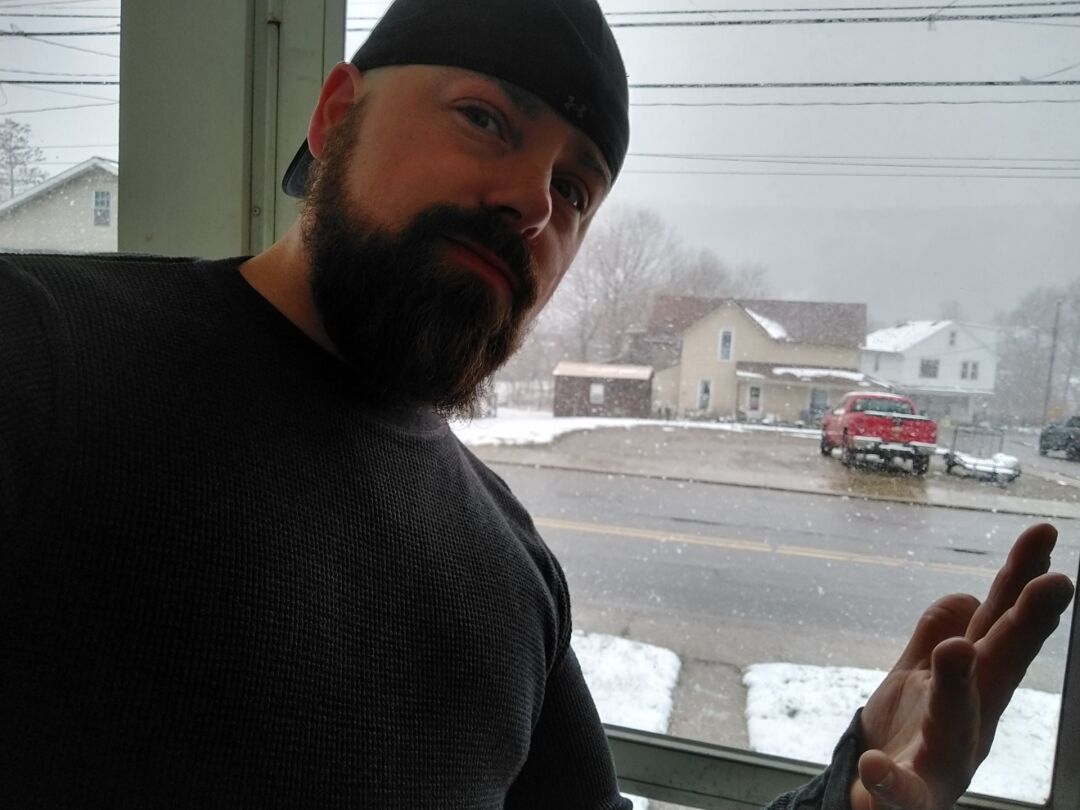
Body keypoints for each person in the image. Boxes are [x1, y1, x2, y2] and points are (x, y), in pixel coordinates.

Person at [0, 0, 1072, 807]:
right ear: (334, 115)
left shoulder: (507, 568)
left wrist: (852, 786)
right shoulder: (42, 351)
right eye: (485, 119)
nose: (531, 202)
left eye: (575, 189)